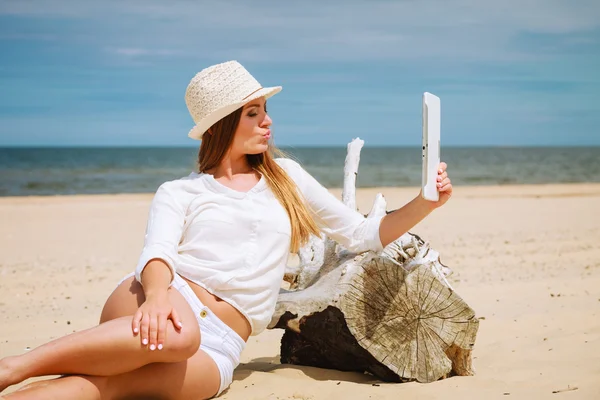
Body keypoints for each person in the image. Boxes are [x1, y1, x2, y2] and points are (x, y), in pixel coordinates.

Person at [0, 60, 453, 399]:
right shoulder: (180, 191)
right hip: (163, 297)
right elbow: (156, 255)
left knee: (101, 388)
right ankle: (15, 367)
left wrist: (426, 203)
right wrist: (158, 299)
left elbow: (363, 235)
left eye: (265, 111)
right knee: (181, 333)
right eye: (253, 113)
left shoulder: (288, 177)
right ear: (223, 125)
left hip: (221, 346)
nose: (267, 121)